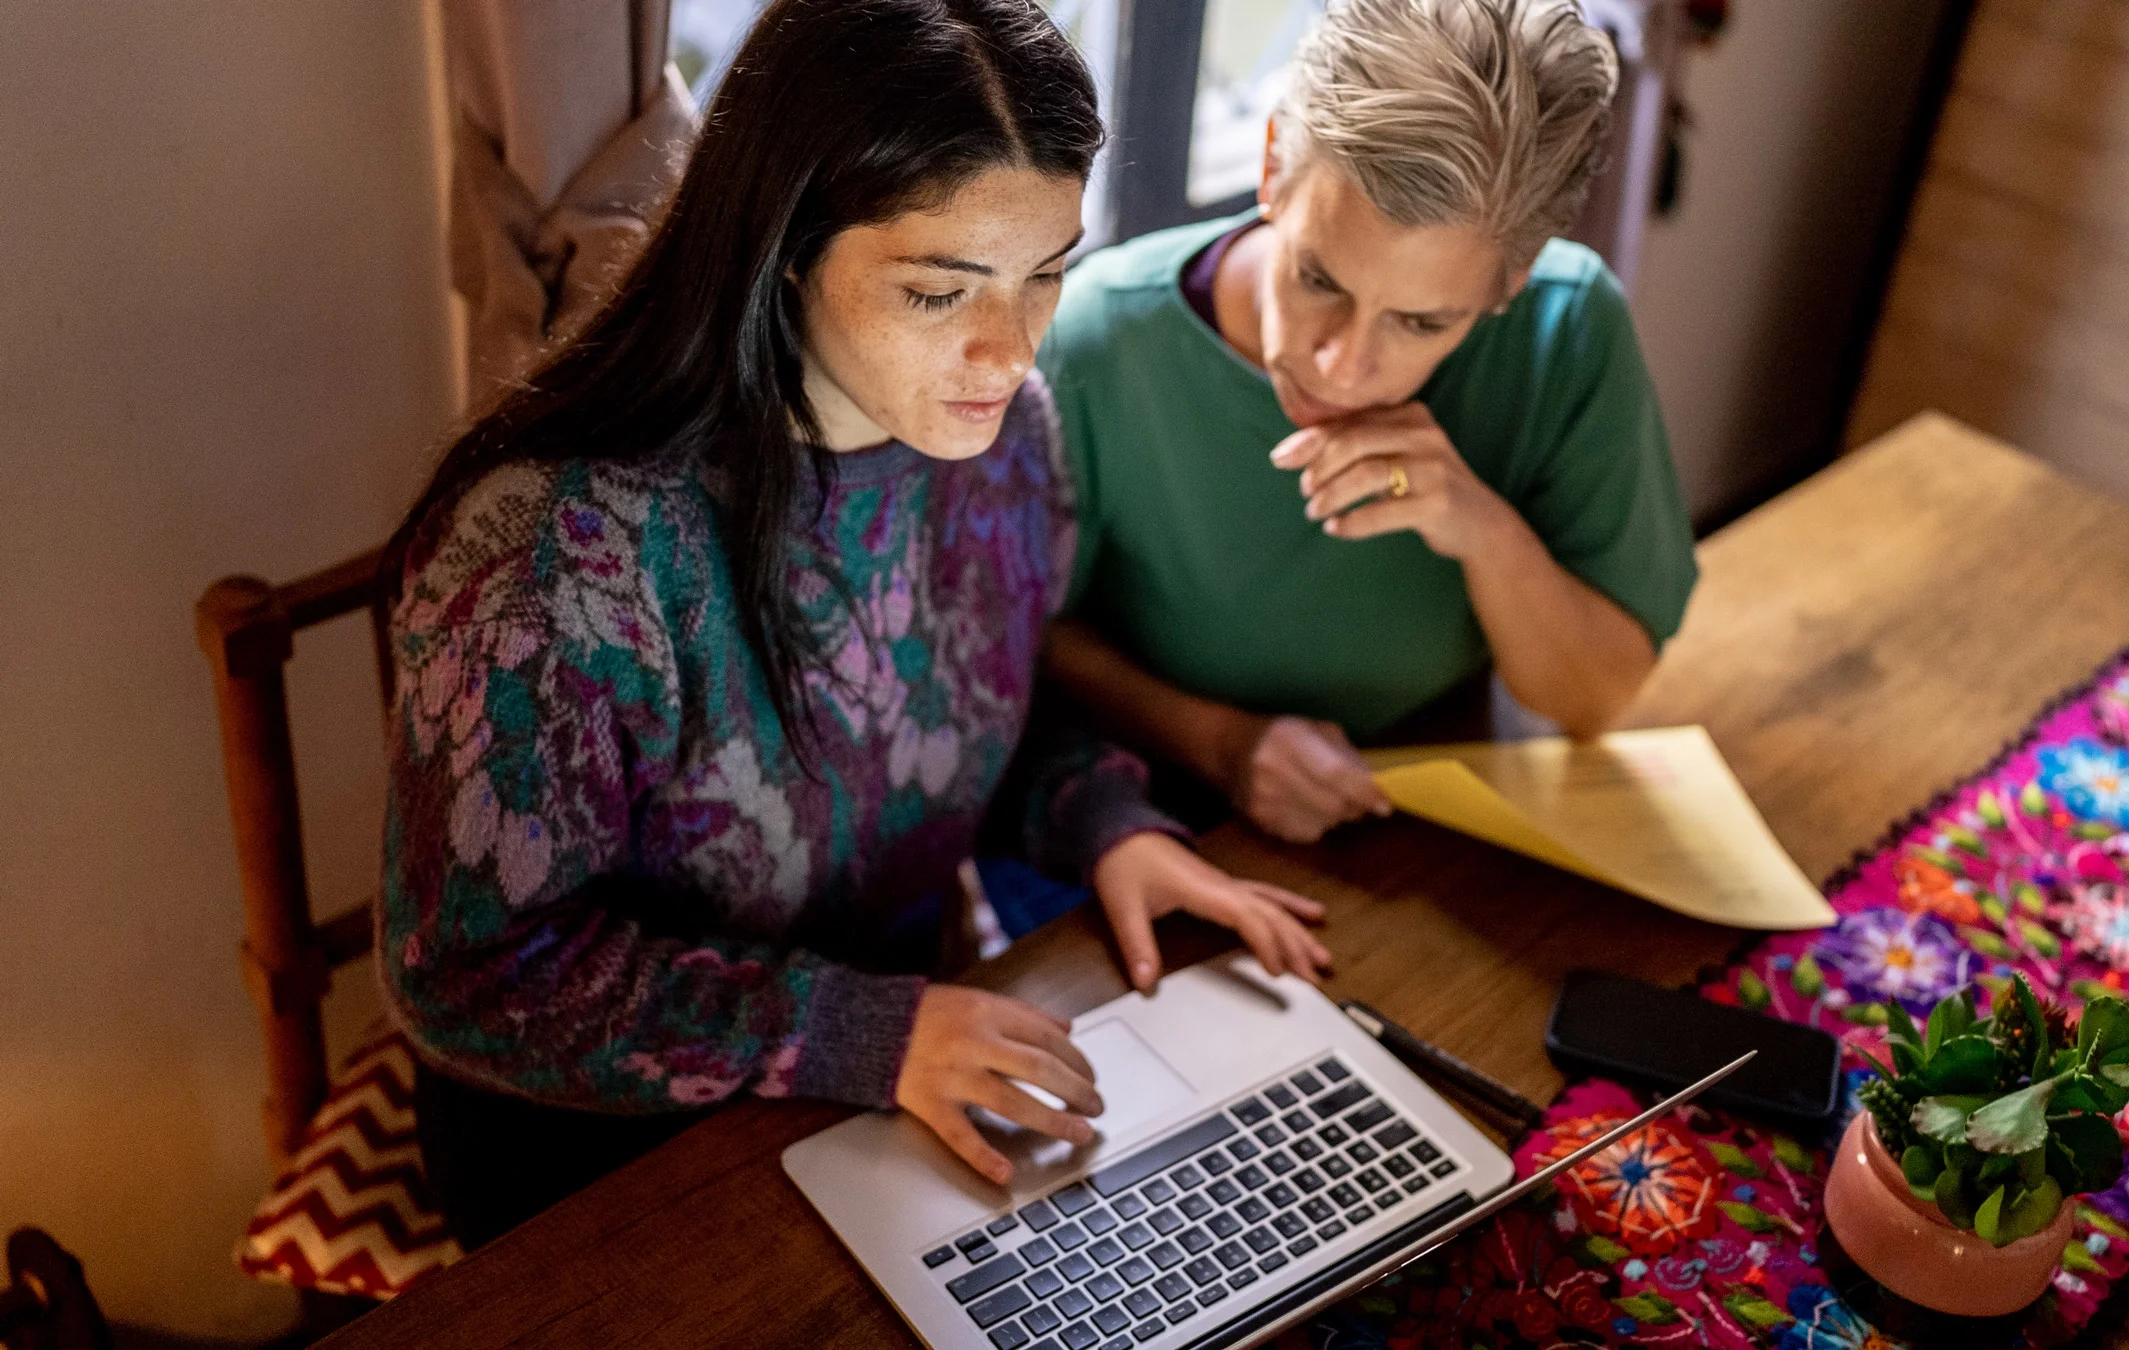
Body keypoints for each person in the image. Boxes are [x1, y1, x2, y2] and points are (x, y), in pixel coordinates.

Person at [377, 0, 1330, 1248]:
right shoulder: (560, 557)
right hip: (602, 1163)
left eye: (1045, 272)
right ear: (781, 251)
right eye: (940, 291)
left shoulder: (1005, 443)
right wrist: (857, 1033)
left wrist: (1103, 821)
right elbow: (468, 980)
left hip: (895, 1064)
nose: (1006, 349)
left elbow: (978, 700)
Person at [1038, 0, 1696, 845]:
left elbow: (1593, 702)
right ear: (1274, 165)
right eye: (1319, 279)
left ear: (1512, 280)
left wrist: (1482, 528)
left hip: (1436, 819)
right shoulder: (1096, 342)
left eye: (1422, 323)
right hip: (1146, 825)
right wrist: (1222, 744)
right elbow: (1030, 643)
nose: (1342, 366)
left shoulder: (1568, 328)